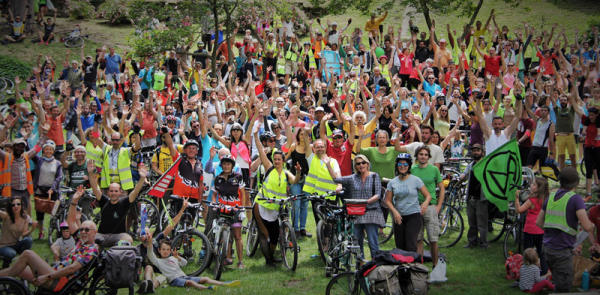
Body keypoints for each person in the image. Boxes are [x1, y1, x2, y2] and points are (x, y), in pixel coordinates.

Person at [0, 184, 99, 293]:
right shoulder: (82, 241)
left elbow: (72, 268)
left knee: (28, 254)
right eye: (82, 229)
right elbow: (70, 221)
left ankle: (2, 283)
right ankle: (2, 281)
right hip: (55, 273)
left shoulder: (91, 249)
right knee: (19, 269)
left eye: (87, 230)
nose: (83, 232)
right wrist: (74, 201)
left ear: (95, 233)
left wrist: (47, 277)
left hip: (60, 281)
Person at [536, 167, 596, 292]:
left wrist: (553, 230)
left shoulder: (551, 197)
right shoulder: (575, 199)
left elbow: (538, 222)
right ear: (577, 182)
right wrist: (592, 226)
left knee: (558, 283)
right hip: (562, 252)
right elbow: (586, 226)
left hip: (547, 249)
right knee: (563, 289)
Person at [253, 127, 301, 267]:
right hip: (261, 205)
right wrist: (256, 136)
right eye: (275, 159)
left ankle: (271, 256)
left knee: (274, 236)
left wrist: (298, 173)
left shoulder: (286, 173)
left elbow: (295, 181)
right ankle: (268, 260)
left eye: (279, 159)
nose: (277, 161)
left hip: (275, 207)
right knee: (264, 234)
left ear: (284, 161)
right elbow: (261, 151)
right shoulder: (269, 167)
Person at [323, 154, 384, 259]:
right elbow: (336, 179)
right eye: (358, 164)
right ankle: (360, 266)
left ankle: (376, 266)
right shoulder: (352, 178)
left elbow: (378, 195)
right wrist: (328, 165)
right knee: (357, 243)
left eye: (363, 163)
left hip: (371, 212)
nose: (361, 165)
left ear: (367, 163)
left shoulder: (374, 176)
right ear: (355, 166)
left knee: (373, 243)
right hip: (356, 213)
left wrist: (365, 202)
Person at [86, 158, 148, 247]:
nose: (113, 193)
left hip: (119, 236)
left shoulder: (124, 202)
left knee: (128, 239)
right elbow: (95, 188)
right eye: (111, 191)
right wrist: (91, 173)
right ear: (108, 192)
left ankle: (117, 251)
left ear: (120, 192)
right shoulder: (104, 201)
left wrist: (142, 178)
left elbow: (135, 192)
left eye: (116, 191)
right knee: (90, 239)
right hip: (102, 235)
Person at [142, 236, 240, 290]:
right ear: (159, 250)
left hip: (183, 276)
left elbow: (184, 263)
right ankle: (207, 289)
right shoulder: (158, 261)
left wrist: (178, 257)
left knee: (205, 278)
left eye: (168, 249)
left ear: (171, 250)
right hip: (174, 280)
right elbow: (150, 254)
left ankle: (224, 283)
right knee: (190, 283)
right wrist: (150, 243)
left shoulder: (173, 258)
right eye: (163, 249)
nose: (165, 251)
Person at [137, 199, 189, 294]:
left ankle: (150, 286)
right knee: (149, 267)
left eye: (147, 234)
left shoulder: (157, 241)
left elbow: (171, 225)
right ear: (138, 237)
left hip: (163, 272)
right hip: (149, 273)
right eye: (143, 234)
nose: (146, 237)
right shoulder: (137, 249)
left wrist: (182, 209)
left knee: (160, 279)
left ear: (151, 234)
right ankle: (148, 283)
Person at [385, 153, 431, 252]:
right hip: (399, 217)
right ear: (397, 165)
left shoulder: (416, 180)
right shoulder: (392, 182)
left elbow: (428, 196)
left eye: (405, 164)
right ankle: (403, 267)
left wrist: (425, 203)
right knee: (400, 246)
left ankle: (412, 266)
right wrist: (395, 212)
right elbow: (388, 201)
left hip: (413, 215)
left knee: (411, 245)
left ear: (409, 166)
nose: (402, 166)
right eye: (400, 164)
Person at [411, 146, 444, 267]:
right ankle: (419, 265)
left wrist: (439, 206)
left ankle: (435, 265)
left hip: (430, 207)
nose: (423, 157)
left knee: (433, 239)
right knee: (418, 238)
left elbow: (441, 188)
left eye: (425, 155)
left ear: (429, 157)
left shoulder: (434, 169)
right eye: (421, 154)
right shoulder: (412, 169)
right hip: (416, 208)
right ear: (417, 156)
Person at [212, 154, 246, 269]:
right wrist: (214, 204)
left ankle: (240, 261)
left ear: (232, 165)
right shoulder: (218, 178)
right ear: (221, 165)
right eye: (224, 164)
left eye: (228, 164)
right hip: (222, 210)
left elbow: (243, 193)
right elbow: (214, 194)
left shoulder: (238, 176)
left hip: (236, 209)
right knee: (225, 233)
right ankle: (228, 258)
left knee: (237, 236)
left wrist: (243, 209)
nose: (226, 166)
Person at [514, 177, 549, 275]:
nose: (531, 185)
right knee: (541, 253)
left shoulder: (532, 200)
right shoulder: (546, 199)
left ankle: (527, 273)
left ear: (538, 188)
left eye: (533, 184)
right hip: (541, 229)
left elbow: (520, 210)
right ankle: (544, 272)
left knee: (528, 252)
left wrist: (516, 199)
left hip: (530, 229)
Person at [32, 140, 63, 240]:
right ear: (43, 150)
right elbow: (31, 152)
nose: (48, 151)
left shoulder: (57, 163)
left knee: (54, 212)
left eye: (50, 149)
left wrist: (53, 188)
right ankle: (41, 232)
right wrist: (26, 139)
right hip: (40, 190)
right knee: (39, 212)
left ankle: (54, 230)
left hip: (53, 191)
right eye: (46, 149)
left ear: (53, 151)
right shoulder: (40, 160)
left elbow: (59, 177)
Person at [462, 143, 489, 248]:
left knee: (482, 222)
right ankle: (472, 241)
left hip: (481, 199)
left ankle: (483, 242)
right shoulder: (470, 165)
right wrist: (462, 176)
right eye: (474, 150)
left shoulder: (485, 165)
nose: (476, 152)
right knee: (472, 222)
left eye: (478, 150)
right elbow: (464, 175)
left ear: (482, 152)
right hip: (470, 198)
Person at [0, 197, 34, 268]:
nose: (16, 206)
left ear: (21, 206)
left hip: (16, 244)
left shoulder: (25, 217)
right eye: (13, 205)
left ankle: (22, 264)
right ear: (11, 207)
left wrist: (32, 229)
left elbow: (24, 234)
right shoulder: (7, 216)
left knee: (28, 240)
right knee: (11, 253)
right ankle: (6, 265)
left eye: (18, 204)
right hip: (4, 246)